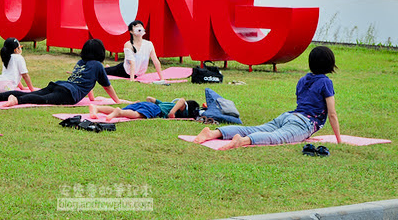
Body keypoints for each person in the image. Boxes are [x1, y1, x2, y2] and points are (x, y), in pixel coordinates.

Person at [194, 46, 341, 150]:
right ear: (329, 64)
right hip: (303, 123)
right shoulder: (326, 82)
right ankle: (243, 141)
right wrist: (339, 140)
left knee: (254, 128)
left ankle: (213, 133)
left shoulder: (303, 80)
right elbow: (332, 113)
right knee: (277, 137)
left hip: (288, 116)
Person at [0, 38, 122, 107]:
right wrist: (117, 101)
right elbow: (107, 86)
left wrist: (91, 99)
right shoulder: (97, 65)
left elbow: (85, 81)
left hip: (60, 85)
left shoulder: (81, 63)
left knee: (33, 94)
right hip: (68, 93)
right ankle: (16, 100)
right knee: (42, 100)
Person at [90, 96, 200, 120]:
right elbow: (181, 101)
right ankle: (118, 113)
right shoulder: (178, 107)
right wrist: (172, 113)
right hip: (154, 109)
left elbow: (150, 98)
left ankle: (97, 108)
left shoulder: (164, 103)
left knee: (126, 110)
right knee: (137, 115)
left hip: (147, 104)